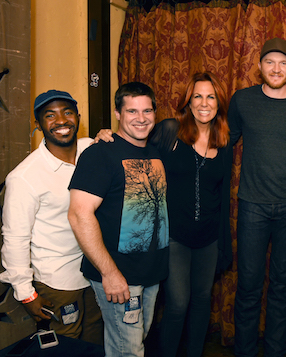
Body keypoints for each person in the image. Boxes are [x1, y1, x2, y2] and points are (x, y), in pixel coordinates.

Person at [98, 72, 233, 356]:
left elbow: (222, 197)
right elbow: (134, 142)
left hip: (208, 238)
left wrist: (223, 244)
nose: (204, 103)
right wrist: (105, 134)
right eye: (197, 96)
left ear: (219, 103)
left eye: (211, 97)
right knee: (177, 304)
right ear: (188, 101)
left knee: (202, 302)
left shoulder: (224, 141)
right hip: (174, 238)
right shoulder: (170, 131)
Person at [228, 38, 286, 357]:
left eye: (283, 63)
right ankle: (244, 351)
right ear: (260, 67)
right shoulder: (242, 100)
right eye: (269, 62)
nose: (276, 68)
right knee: (249, 287)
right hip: (252, 206)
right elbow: (222, 141)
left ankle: (276, 351)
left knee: (282, 287)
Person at [68, 82, 169, 357]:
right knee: (128, 350)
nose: (141, 118)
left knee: (135, 342)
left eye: (147, 111)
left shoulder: (155, 150)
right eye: (132, 111)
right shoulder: (100, 154)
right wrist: (110, 274)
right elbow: (79, 215)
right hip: (118, 276)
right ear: (117, 113)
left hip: (149, 273)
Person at [0, 90, 103, 345]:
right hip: (57, 282)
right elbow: (15, 238)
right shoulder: (24, 177)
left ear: (78, 117)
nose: (61, 121)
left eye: (67, 112)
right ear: (38, 124)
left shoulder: (91, 150)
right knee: (64, 347)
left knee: (96, 344)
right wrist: (26, 294)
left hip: (96, 272)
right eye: (50, 115)